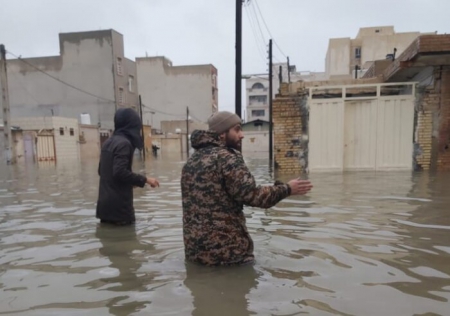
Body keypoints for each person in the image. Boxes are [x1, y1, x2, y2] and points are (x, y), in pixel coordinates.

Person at [181, 111, 313, 266]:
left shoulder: (191, 161)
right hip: (228, 255)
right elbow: (254, 196)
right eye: (237, 129)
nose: (242, 135)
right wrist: (287, 189)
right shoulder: (227, 157)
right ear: (222, 134)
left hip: (195, 253)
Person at [96, 108, 159, 225]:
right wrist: (145, 179)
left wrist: (131, 182)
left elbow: (102, 172)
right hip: (120, 211)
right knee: (126, 241)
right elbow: (119, 172)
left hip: (104, 209)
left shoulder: (108, 142)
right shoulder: (124, 144)